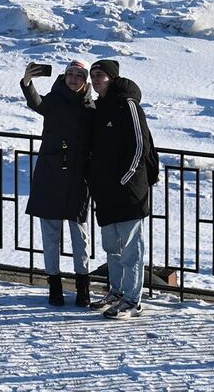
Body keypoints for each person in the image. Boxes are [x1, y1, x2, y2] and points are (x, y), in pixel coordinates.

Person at [85, 58, 157, 320]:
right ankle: (115, 292)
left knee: (131, 247)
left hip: (128, 191)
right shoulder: (99, 107)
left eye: (100, 75)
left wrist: (126, 178)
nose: (96, 80)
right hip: (105, 191)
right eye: (93, 75)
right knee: (111, 246)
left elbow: (140, 145)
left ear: (112, 78)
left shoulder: (128, 105)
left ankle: (132, 299)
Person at [20, 59, 94, 307]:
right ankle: (55, 284)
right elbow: (36, 103)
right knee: (50, 234)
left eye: (79, 75)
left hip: (78, 178)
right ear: (63, 77)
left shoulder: (91, 107)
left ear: (86, 81)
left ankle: (83, 285)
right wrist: (27, 82)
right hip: (50, 174)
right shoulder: (54, 99)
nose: (73, 78)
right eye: (70, 74)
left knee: (80, 235)